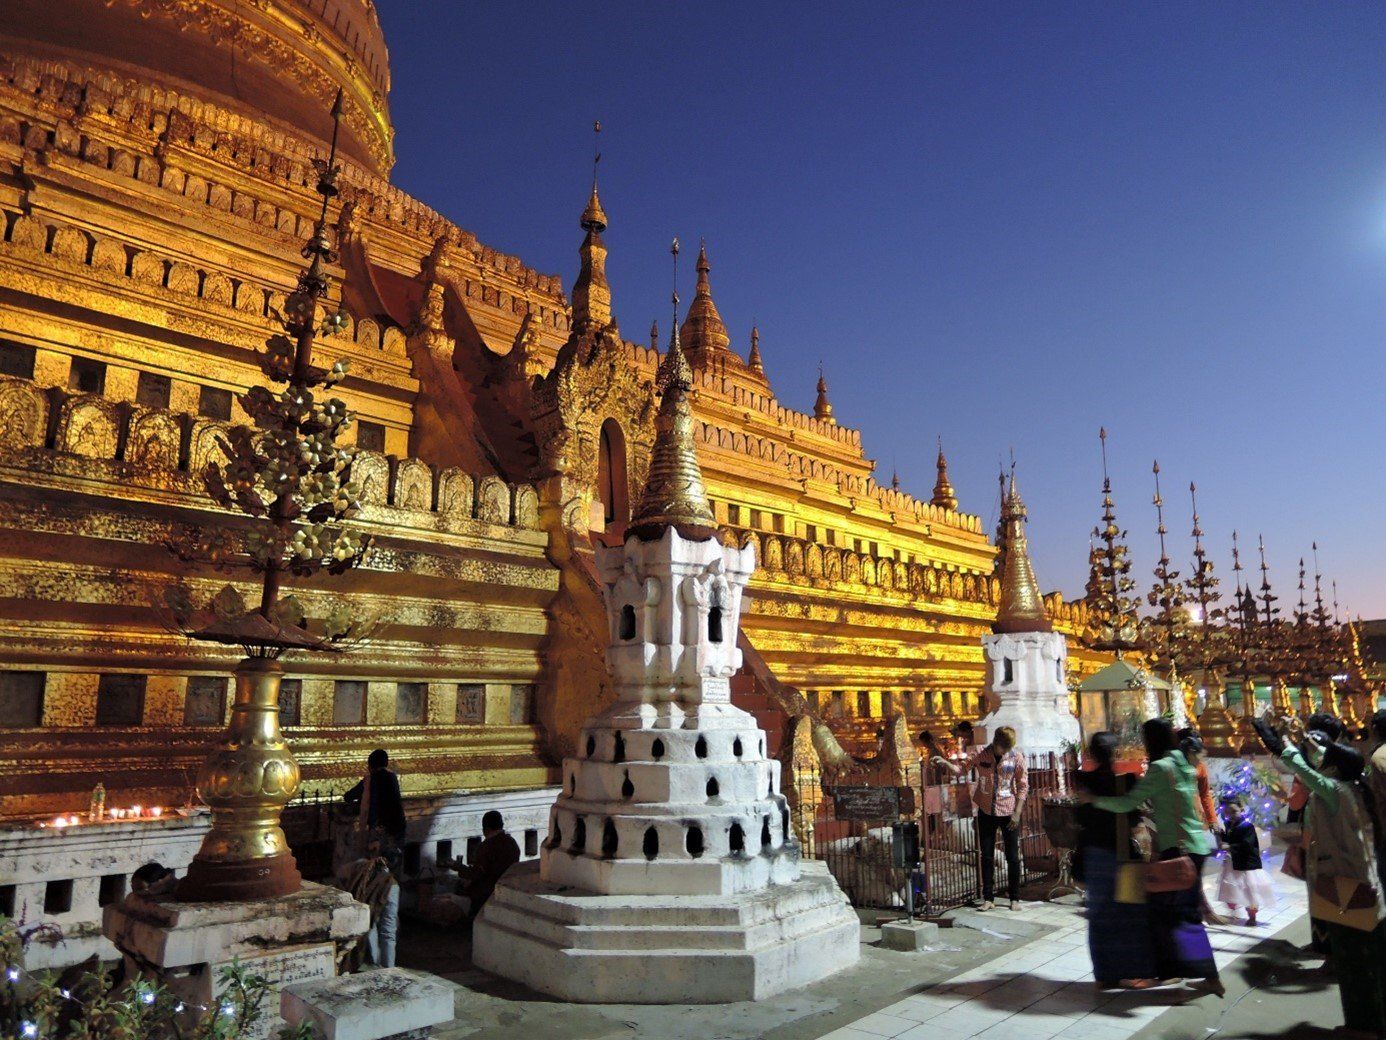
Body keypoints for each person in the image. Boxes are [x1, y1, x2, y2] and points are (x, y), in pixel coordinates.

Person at [1252, 718, 1386, 1037]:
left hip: (1346, 885)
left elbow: (1306, 772)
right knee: (1368, 960)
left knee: (1353, 962)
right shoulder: (1358, 786)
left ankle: (1362, 1026)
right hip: (1363, 882)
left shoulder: (1334, 790)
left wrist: (1281, 746)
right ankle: (1372, 1023)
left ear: (1333, 766)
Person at [1078, 717, 1222, 996]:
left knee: (1176, 917)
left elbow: (1127, 803)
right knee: (1179, 914)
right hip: (1196, 846)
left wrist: (1093, 800)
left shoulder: (1159, 768)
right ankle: (1188, 972)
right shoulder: (1183, 762)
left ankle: (1200, 974)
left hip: (1177, 849)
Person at [1075, 731, 1156, 988]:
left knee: (1099, 914)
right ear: (1116, 753)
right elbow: (1133, 816)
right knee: (1127, 914)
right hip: (1122, 853)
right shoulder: (1127, 781)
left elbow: (1081, 818)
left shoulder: (1084, 780)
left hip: (1095, 852)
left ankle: (1104, 973)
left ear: (1092, 753)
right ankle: (1129, 969)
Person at [927, 725, 1028, 911]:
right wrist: (945, 762)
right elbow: (961, 771)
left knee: (1012, 856)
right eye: (1003, 748)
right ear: (996, 743)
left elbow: (1023, 786)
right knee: (987, 855)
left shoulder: (1016, 757)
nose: (1006, 751)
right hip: (986, 810)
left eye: (1008, 748)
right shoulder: (982, 754)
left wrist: (1017, 813)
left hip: (1009, 812)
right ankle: (988, 898)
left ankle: (1015, 897)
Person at [1178, 729, 1227, 926]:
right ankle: (1200, 909)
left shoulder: (1200, 766)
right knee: (1188, 869)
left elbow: (1205, 794)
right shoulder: (1174, 766)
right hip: (1180, 822)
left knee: (1196, 868)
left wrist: (1213, 820)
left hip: (1198, 821)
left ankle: (1202, 909)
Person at [439, 810, 521, 920]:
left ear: (486, 829)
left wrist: (457, 866)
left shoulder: (487, 846)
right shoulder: (512, 842)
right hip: (507, 886)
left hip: (486, 892)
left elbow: (476, 874)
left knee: (455, 888)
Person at [337, 842, 399, 970]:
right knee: (388, 932)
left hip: (363, 911)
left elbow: (340, 873)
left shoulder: (361, 865)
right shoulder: (391, 882)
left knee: (369, 925)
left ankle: (372, 962)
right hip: (390, 890)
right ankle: (389, 969)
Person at [1215, 797, 1276, 926]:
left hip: (1247, 865)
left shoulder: (1247, 826)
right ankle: (1234, 912)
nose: (1230, 815)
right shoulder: (1228, 825)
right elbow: (1228, 838)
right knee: (1232, 888)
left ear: (1241, 810)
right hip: (1234, 863)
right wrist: (1220, 835)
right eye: (1227, 812)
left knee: (1250, 891)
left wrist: (1230, 847)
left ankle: (1252, 916)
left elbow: (1247, 845)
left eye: (1233, 811)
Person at [343, 749, 408, 856]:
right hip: (399, 826)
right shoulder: (393, 777)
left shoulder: (371, 780)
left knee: (377, 863)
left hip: (381, 829)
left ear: (370, 766)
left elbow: (348, 797)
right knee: (394, 862)